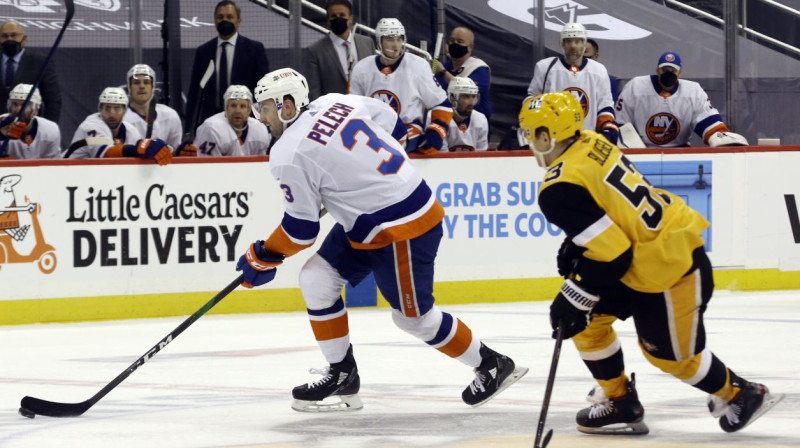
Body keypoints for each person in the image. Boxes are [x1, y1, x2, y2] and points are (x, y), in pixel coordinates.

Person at [239, 67, 527, 412]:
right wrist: (356, 176)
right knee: (316, 278)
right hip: (372, 219)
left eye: (265, 107)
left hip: (402, 228)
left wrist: (263, 254)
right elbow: (393, 123)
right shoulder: (335, 101)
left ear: (288, 104)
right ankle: (342, 373)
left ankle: (492, 364)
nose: (261, 116)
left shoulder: (289, 152)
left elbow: (301, 231)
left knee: (413, 319)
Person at [517, 91, 782, 435]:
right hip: (641, 259)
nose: (527, 141)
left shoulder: (556, 189)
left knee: (671, 357)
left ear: (544, 135)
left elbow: (613, 252)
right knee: (585, 324)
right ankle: (620, 400)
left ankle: (740, 393)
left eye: (529, 132)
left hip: (669, 268)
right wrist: (577, 246)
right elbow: (611, 213)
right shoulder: (593, 140)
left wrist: (574, 292)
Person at [349, 18, 453, 154]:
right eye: (390, 39)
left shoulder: (418, 66)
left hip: (407, 129)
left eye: (399, 39)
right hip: (373, 129)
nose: (396, 45)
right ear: (379, 41)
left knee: (391, 146)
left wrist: (436, 132)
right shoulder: (361, 68)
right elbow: (352, 108)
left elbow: (442, 103)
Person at [615, 51, 748, 148]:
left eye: (672, 70)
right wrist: (634, 150)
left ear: (680, 73)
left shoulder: (693, 91)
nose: (668, 73)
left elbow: (707, 120)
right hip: (644, 151)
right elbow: (621, 123)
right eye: (664, 69)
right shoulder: (636, 86)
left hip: (679, 152)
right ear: (657, 70)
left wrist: (718, 137)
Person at [526, 23, 618, 145]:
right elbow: (530, 99)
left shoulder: (598, 70)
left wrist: (606, 126)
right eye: (568, 41)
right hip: (553, 141)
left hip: (587, 142)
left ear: (584, 44)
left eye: (578, 41)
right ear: (562, 44)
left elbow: (605, 105)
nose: (573, 46)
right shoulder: (545, 67)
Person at [185, 0, 269, 130]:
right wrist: (189, 128)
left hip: (246, 122)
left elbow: (263, 90)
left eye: (229, 17)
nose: (224, 20)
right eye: (220, 17)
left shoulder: (254, 49)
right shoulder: (203, 51)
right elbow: (194, 93)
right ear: (214, 21)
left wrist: (263, 121)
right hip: (211, 122)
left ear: (238, 21)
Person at [67, 87, 172, 164]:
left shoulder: (131, 130)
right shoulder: (90, 126)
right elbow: (107, 154)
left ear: (125, 111)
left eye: (117, 108)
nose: (112, 114)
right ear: (100, 110)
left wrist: (167, 149)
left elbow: (143, 149)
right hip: (68, 179)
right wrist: (136, 149)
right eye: (107, 108)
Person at [302, 0, 375, 101]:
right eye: (333, 16)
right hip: (333, 112)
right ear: (328, 20)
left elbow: (375, 79)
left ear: (351, 18)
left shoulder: (367, 43)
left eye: (342, 15)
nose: (338, 19)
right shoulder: (315, 51)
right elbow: (314, 92)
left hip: (365, 108)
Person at [0, 20, 61, 122]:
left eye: (14, 35)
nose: (9, 39)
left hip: (27, 127)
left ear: (24, 39)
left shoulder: (41, 62)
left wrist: (47, 127)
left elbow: (53, 100)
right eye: (4, 36)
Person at [122, 64, 186, 154]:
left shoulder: (170, 115)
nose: (141, 86)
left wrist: (182, 152)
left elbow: (175, 151)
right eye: (136, 83)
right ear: (129, 87)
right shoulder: (122, 118)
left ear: (153, 87)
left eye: (146, 82)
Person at [194, 84, 271, 156]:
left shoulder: (259, 129)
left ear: (249, 110)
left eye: (242, 106)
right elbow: (208, 166)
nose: (237, 111)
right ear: (226, 108)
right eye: (233, 105)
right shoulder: (212, 128)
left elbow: (261, 165)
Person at [433, 26, 492, 118]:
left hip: (474, 122)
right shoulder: (444, 66)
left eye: (460, 42)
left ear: (470, 47)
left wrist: (443, 73)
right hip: (447, 117)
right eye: (452, 41)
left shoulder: (479, 69)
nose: (455, 44)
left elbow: (466, 91)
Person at [427, 76, 488, 152]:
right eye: (466, 97)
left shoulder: (480, 119)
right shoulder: (436, 117)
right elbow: (442, 157)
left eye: (473, 97)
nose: (471, 102)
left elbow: (481, 156)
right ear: (452, 98)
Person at [0, 83, 60, 159]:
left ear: (36, 110)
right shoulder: (1, 123)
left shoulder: (51, 130)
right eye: (15, 104)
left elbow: (53, 166)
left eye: (25, 105)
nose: (19, 109)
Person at [584, 39, 619, 103]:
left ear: (596, 56)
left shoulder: (609, 80)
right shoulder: (565, 75)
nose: (582, 60)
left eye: (585, 57)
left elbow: (609, 107)